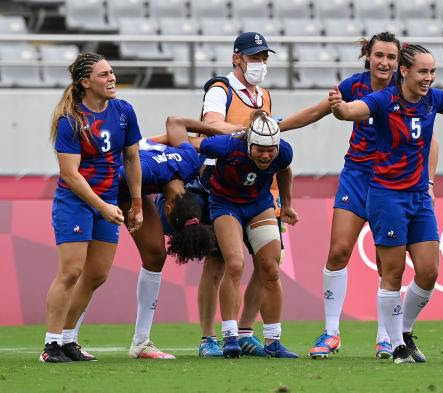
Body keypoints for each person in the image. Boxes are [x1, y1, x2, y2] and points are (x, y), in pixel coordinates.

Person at [329, 43, 443, 364]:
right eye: (423, 71)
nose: (429, 78)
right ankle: (395, 346)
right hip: (386, 195)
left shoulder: (433, 100)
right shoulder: (384, 99)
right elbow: (353, 111)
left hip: (419, 197)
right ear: (405, 72)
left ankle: (404, 331)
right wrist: (340, 107)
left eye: (433, 72)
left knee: (428, 272)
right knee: (392, 273)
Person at [281, 32, 440, 359]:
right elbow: (318, 111)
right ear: (368, 56)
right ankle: (331, 332)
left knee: (389, 264)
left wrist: (429, 183)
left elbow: (430, 141)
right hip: (358, 176)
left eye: (391, 57)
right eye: (378, 55)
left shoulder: (410, 91)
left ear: (400, 62)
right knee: (338, 250)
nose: (384, 62)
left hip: (395, 183)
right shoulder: (354, 85)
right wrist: (276, 127)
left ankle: (387, 337)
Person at [62, 116, 236, 359]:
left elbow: (175, 123)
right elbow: (108, 175)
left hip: (136, 186)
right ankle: (63, 340)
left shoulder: (188, 162)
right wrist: (125, 208)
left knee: (155, 254)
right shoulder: (163, 167)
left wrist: (220, 132)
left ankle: (141, 342)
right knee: (94, 271)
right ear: (166, 209)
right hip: (105, 187)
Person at [42, 53, 143, 363]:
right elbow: (70, 175)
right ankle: (51, 345)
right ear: (85, 83)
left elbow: (132, 159)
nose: (111, 78)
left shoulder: (124, 111)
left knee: (96, 275)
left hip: (107, 204)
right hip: (76, 203)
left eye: (111, 72)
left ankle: (70, 340)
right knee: (71, 271)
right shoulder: (70, 120)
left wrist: (137, 202)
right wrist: (101, 206)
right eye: (103, 74)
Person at [197, 31, 277, 358]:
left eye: (263, 58)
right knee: (220, 264)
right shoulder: (222, 89)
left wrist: (275, 193)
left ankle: (245, 330)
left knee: (267, 261)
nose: (259, 63)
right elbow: (211, 123)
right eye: (254, 57)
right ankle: (207, 338)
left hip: (255, 187)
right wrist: (247, 132)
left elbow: (268, 147)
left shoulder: (265, 97)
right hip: (219, 181)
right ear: (237, 58)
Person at [196, 110, 299, 358]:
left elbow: (284, 170)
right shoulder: (227, 145)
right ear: (249, 142)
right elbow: (196, 145)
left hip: (259, 205)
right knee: (234, 264)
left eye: (270, 150)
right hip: (225, 205)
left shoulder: (283, 150)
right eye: (259, 149)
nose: (266, 155)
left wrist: (286, 205)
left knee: (271, 268)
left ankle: (273, 340)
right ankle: (230, 336)